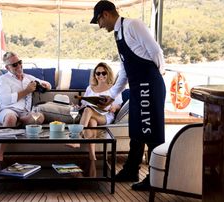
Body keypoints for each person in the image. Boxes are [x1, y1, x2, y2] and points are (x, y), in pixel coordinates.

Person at [90, 1, 166, 191]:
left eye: (98, 20)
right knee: (136, 132)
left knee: (152, 133)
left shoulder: (133, 25)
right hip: (137, 88)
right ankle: (131, 170)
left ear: (106, 14)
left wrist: (156, 74)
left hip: (149, 85)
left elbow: (156, 51)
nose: (99, 26)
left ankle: (156, 178)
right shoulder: (118, 33)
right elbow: (125, 69)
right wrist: (112, 94)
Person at [0, 51, 51, 161]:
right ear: (7, 67)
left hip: (25, 113)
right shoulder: (4, 79)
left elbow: (47, 85)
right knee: (10, 118)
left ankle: (17, 121)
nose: (19, 66)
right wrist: (26, 91)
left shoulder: (29, 77)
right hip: (8, 110)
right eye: (15, 64)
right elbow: (6, 100)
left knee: (40, 117)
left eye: (20, 62)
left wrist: (46, 85)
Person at [73, 62, 122, 160]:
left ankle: (76, 138)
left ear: (108, 74)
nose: (100, 75)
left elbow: (118, 105)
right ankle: (92, 156)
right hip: (92, 115)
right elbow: (84, 103)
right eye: (98, 73)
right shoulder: (90, 88)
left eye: (103, 73)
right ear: (95, 75)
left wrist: (114, 108)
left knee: (88, 110)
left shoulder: (113, 88)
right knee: (92, 122)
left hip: (105, 115)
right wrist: (77, 107)